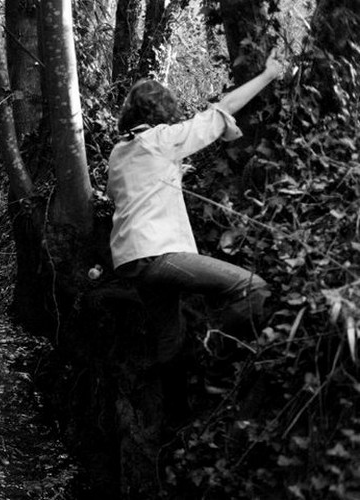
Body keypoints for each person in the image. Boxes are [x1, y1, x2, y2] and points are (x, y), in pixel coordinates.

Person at [105, 50, 284, 402]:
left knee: (169, 342)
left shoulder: (119, 152)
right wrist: (268, 74)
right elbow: (224, 107)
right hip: (158, 255)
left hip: (129, 261)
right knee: (254, 289)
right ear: (162, 114)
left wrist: (171, 171)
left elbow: (125, 191)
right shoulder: (162, 140)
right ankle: (213, 357)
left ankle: (174, 421)